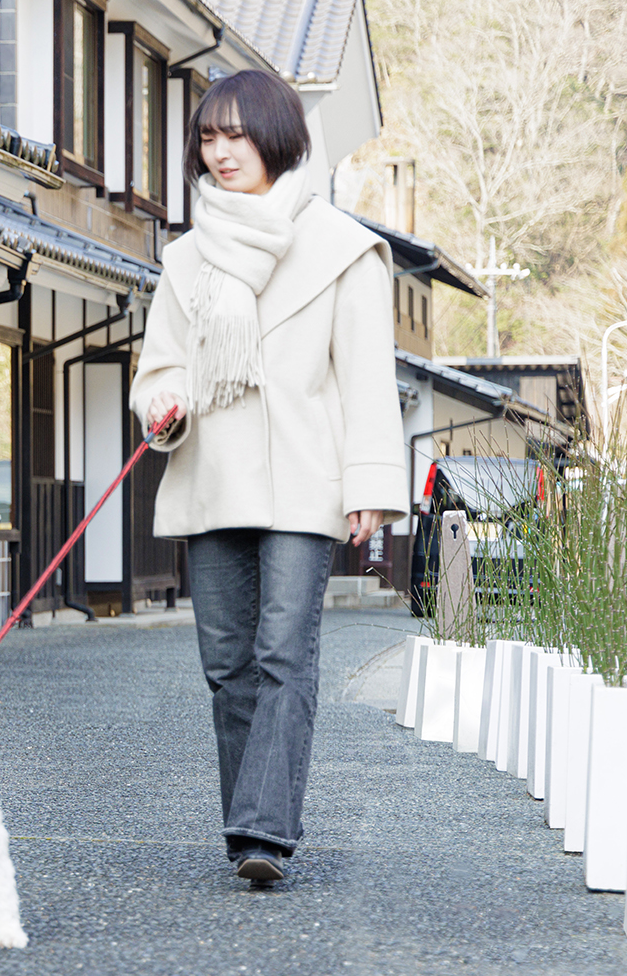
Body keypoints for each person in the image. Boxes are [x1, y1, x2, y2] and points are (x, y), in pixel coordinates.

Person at [131, 69, 406, 884]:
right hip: (211, 473)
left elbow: (365, 376)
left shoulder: (341, 248)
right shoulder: (184, 260)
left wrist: (368, 485)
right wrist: (165, 404)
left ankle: (263, 833)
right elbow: (158, 370)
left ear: (277, 137)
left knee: (284, 650)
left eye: (237, 135)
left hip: (303, 479)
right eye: (208, 138)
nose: (222, 153)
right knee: (227, 664)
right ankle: (247, 822)